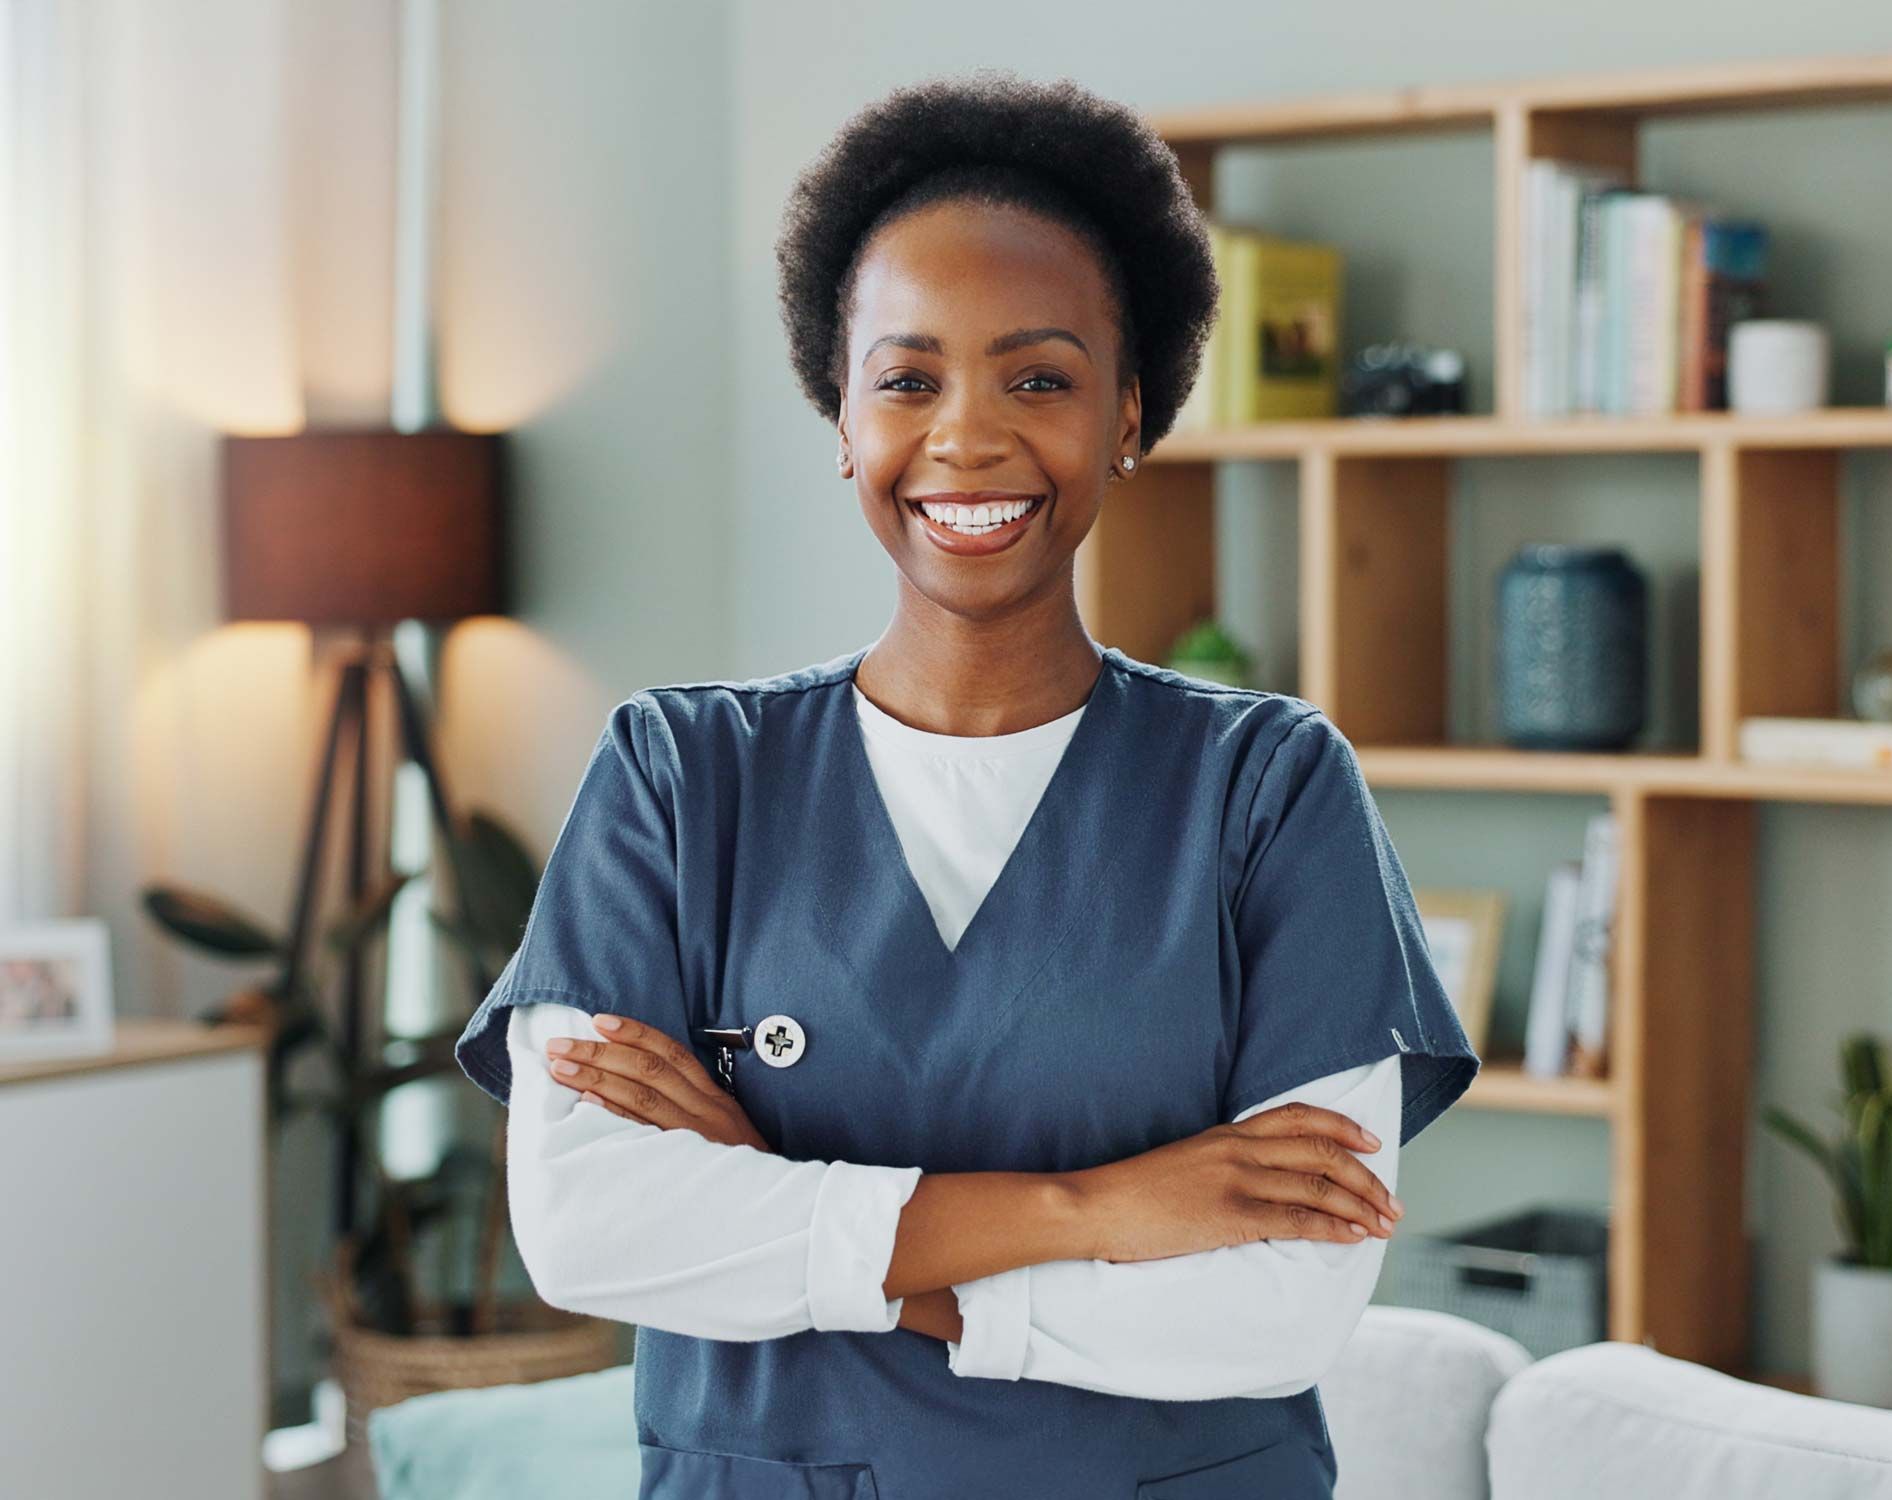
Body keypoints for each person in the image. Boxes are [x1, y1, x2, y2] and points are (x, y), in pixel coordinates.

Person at [454, 68, 1480, 1499]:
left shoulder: (1270, 790)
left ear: (1129, 414)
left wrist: (785, 1209)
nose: (969, 437)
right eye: (909, 378)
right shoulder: (680, 778)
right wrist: (1099, 1210)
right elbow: (588, 1231)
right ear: (843, 417)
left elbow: (1282, 1304)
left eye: (1040, 378)